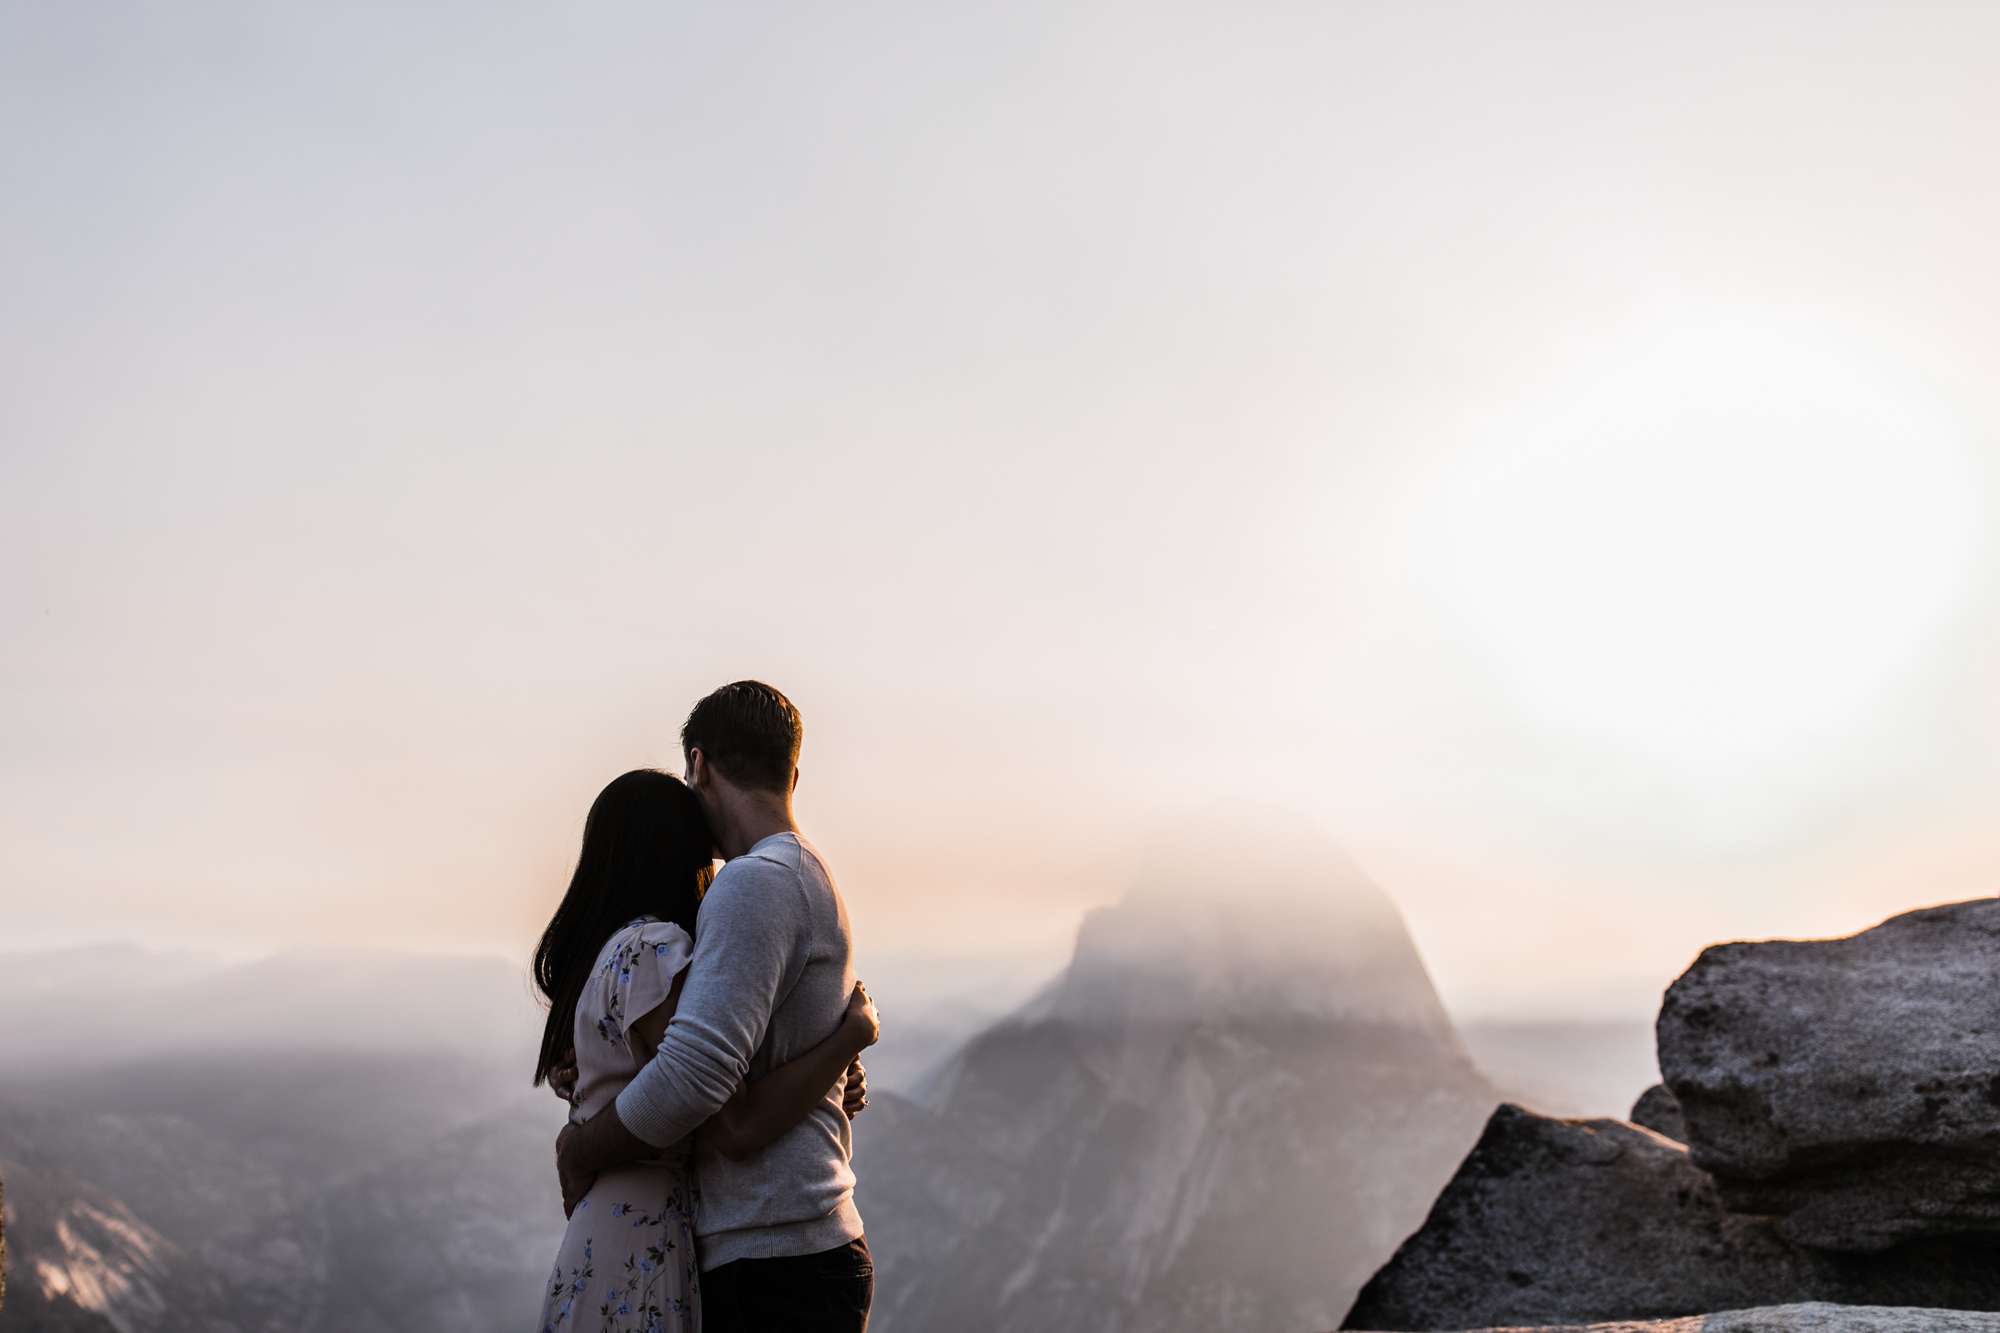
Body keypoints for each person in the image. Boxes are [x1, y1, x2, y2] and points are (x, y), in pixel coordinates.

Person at [556, 682, 875, 1333]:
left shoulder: (755, 881)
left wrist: (580, 1146)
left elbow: (696, 1082)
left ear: (698, 763)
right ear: (793, 770)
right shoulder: (801, 874)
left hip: (775, 1256)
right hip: (786, 1248)